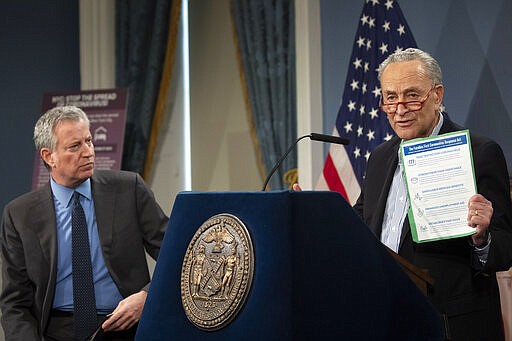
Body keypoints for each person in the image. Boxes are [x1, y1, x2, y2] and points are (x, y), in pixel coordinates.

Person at [295, 48, 512, 340]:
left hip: (451, 325)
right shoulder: (380, 157)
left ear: (437, 95)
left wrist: (482, 237)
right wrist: (316, 214)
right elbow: (361, 227)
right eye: (390, 97)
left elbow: (505, 250)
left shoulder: (479, 153)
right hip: (388, 316)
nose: (400, 109)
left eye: (412, 95)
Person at [1, 106, 169, 340]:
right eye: (75, 146)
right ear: (49, 157)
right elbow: (15, 303)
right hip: (56, 331)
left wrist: (147, 296)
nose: (88, 152)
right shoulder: (19, 215)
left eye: (89, 141)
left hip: (126, 326)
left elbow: (176, 253)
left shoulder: (129, 189)